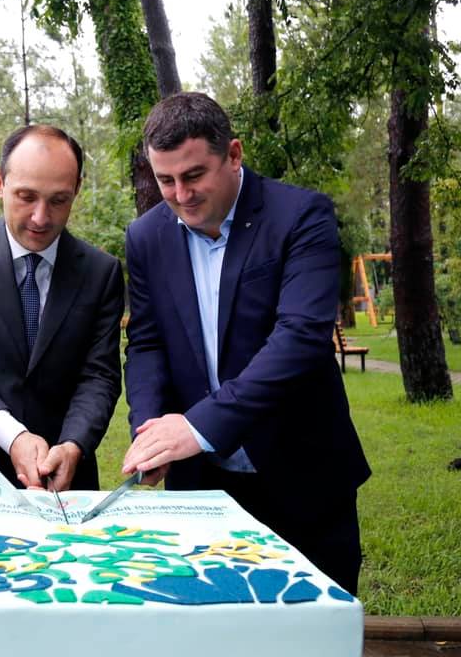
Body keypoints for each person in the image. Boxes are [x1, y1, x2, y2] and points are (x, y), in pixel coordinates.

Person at [121, 93, 371, 594]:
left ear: (233, 154)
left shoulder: (301, 215)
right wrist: (150, 432)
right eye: (165, 180)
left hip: (302, 474)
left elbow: (300, 338)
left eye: (194, 175)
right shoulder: (146, 237)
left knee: (314, 625)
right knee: (210, 620)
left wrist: (198, 425)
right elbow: (146, 342)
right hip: (200, 485)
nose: (180, 195)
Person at [0, 124, 124, 491]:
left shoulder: (101, 272)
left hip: (65, 479)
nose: (40, 217)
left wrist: (73, 445)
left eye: (58, 200)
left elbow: (99, 377)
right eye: (26, 197)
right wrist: (13, 436)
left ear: (77, 189)